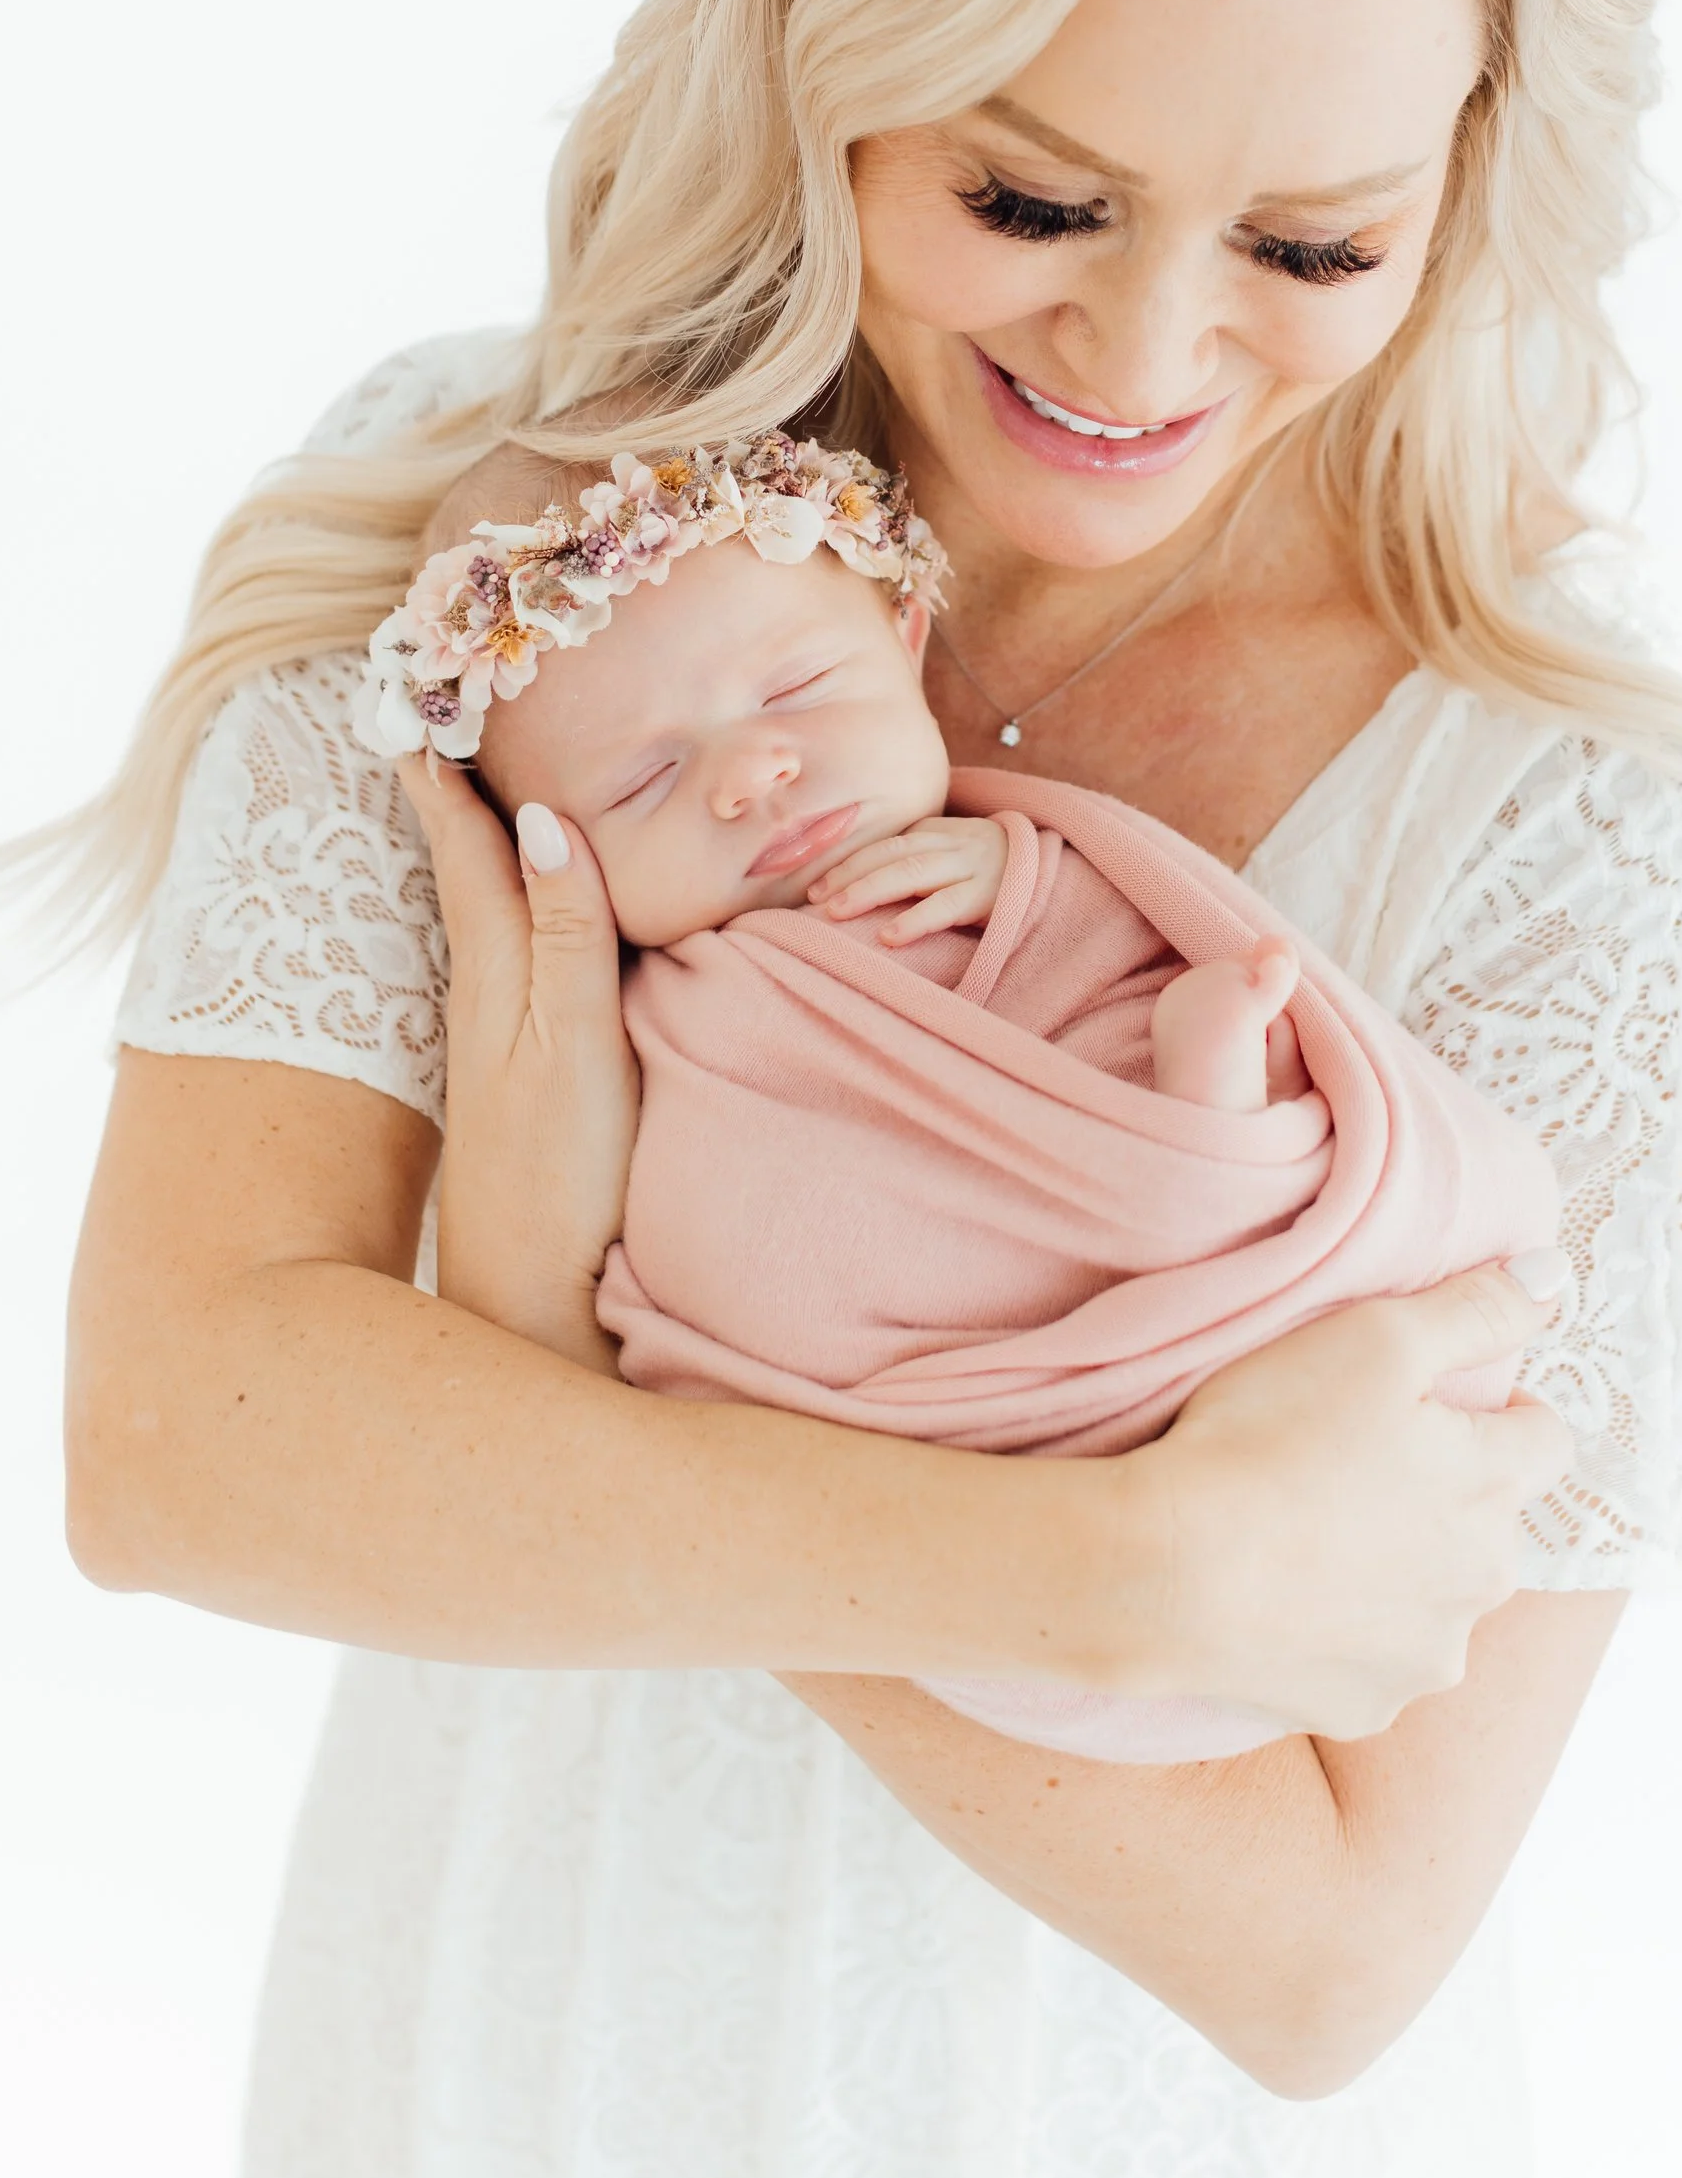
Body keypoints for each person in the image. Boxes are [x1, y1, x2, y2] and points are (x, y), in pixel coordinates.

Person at [51, 0, 1682, 2178]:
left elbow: (1319, 1942)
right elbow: (187, 1434)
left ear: (1470, 189)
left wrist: (575, 1322)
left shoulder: (1570, 829)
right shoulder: (518, 564)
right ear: (829, 29)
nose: (1148, 353)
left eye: (1310, 246)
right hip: (479, 2125)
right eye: (1033, 189)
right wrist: (1115, 1564)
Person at [368, 432, 1563, 1764]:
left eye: (801, 689)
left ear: (906, 639)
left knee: (1219, 1038)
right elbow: (692, 1268)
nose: (749, 775)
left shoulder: (1010, 847)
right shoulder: (674, 1010)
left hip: (1195, 1293)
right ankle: (1193, 1153)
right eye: (641, 781)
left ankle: (1206, 1143)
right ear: (550, 845)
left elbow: (1124, 922)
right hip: (923, 1432)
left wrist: (1023, 880)